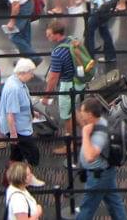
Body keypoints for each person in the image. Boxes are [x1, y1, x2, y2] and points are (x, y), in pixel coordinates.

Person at [75, 97, 127, 220]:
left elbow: (90, 157)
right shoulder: (99, 122)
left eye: (82, 112)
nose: (81, 115)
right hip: (105, 173)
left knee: (87, 208)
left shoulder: (100, 134)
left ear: (89, 114)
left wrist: (85, 135)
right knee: (115, 203)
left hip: (98, 176)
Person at [40, 20, 80, 156]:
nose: (47, 37)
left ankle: (71, 145)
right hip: (79, 81)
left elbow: (53, 78)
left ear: (57, 35)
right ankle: (88, 132)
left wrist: (46, 96)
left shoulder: (58, 53)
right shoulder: (71, 40)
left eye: (49, 35)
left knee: (67, 116)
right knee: (74, 110)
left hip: (67, 85)